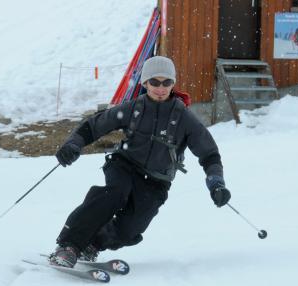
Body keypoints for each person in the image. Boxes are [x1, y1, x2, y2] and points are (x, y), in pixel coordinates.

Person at [49, 56, 231, 268]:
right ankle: (69, 246)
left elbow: (209, 153)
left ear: (173, 84)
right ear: (145, 83)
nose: (161, 88)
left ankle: (93, 245)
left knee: (131, 228)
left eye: (166, 82)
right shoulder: (133, 108)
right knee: (114, 194)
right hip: (125, 165)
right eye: (154, 82)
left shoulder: (184, 118)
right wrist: (73, 145)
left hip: (157, 179)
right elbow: (94, 125)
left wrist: (216, 182)